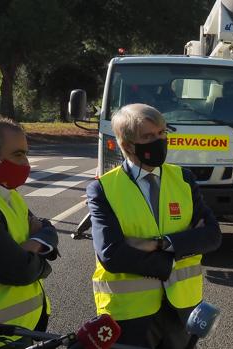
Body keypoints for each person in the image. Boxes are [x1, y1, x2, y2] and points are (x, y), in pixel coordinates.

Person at [86, 104, 222, 349]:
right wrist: (171, 260)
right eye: (148, 136)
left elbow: (212, 236)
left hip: (182, 310)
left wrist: (160, 244)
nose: (159, 141)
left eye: (161, 133)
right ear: (127, 145)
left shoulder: (184, 179)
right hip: (130, 315)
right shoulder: (103, 188)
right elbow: (112, 255)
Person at [0, 117, 59, 348]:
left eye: (26, 153)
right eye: (17, 154)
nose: (25, 163)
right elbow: (19, 270)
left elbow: (47, 228)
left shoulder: (10, 194)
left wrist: (32, 245)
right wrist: (43, 260)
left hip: (22, 329)